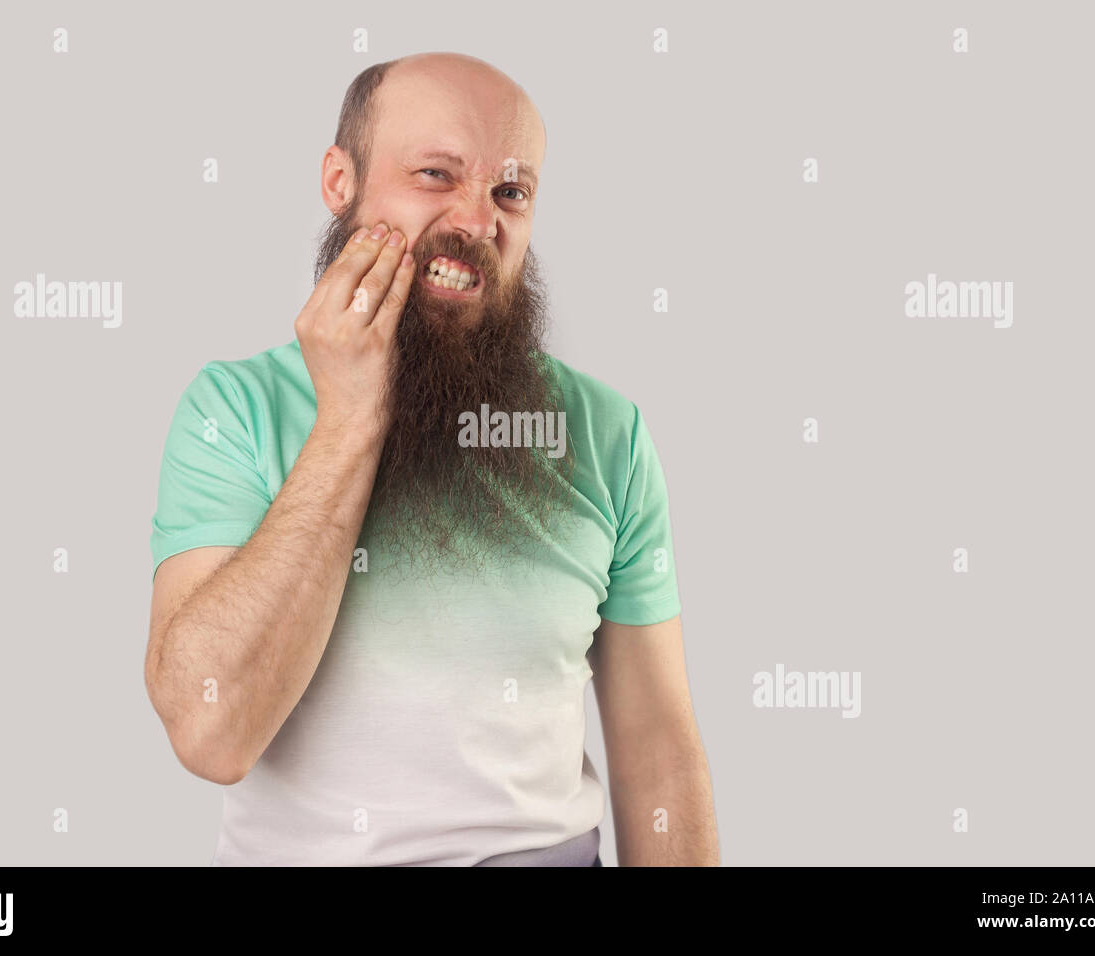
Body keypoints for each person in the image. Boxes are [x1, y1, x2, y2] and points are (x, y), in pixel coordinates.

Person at [145, 51, 718, 866]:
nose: (477, 221)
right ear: (340, 182)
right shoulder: (232, 411)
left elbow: (660, 756)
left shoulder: (606, 432)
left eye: (509, 191)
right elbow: (211, 733)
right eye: (436, 174)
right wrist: (348, 421)